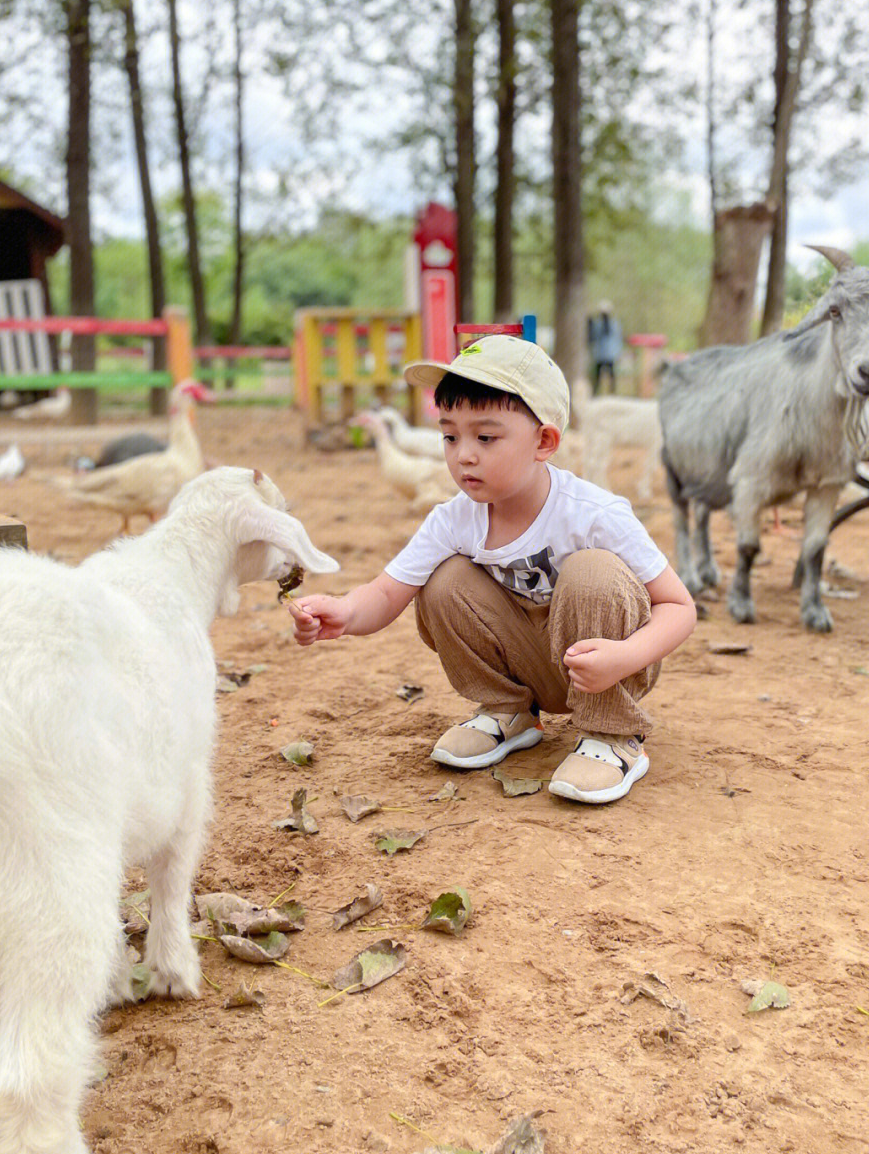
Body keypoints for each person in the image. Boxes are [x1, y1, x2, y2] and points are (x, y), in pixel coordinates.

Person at [286, 335, 696, 805]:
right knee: (443, 581)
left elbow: (679, 606)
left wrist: (623, 659)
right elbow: (385, 593)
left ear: (544, 441)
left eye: (485, 437)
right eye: (449, 435)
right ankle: (509, 711)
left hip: (604, 666)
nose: (463, 455)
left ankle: (611, 735)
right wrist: (342, 611)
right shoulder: (453, 519)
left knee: (592, 572)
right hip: (529, 662)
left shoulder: (593, 513)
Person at [587, 299, 624, 394]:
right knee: (599, 376)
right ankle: (596, 392)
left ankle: (611, 392)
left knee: (611, 375)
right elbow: (592, 337)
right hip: (601, 354)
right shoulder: (599, 324)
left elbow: (618, 339)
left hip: (608, 354)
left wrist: (619, 352)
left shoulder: (612, 324)